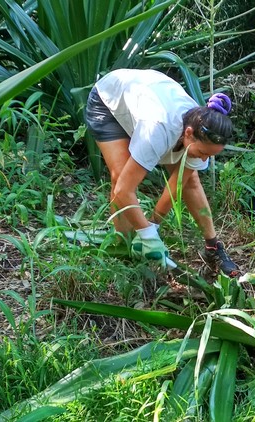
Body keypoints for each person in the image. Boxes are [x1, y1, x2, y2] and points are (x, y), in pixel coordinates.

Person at [84, 68, 240, 277]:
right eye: (203, 153)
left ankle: (213, 246)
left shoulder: (203, 123)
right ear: (188, 134)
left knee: (191, 179)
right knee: (120, 176)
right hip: (109, 101)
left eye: (209, 156)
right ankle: (126, 248)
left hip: (144, 101)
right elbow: (124, 189)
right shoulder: (158, 130)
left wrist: (154, 226)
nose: (204, 159)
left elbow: (179, 184)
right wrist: (148, 237)